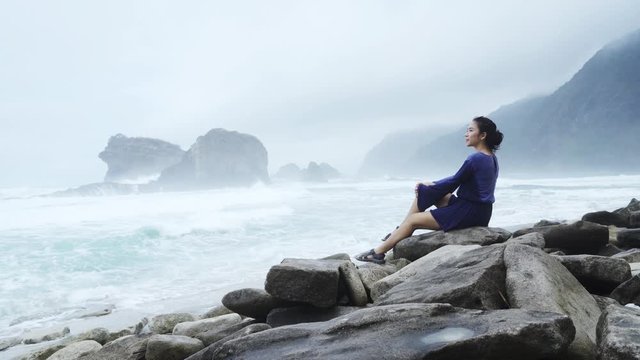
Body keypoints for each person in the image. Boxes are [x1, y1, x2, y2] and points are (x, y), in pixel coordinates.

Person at [355, 116, 503, 264]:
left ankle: (378, 253)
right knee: (426, 190)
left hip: (469, 212)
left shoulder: (475, 159)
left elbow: (454, 182)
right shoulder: (491, 157)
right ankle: (400, 229)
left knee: (413, 219)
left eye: (470, 130)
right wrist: (429, 186)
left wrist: (429, 185)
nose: (466, 134)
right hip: (480, 211)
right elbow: (455, 179)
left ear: (483, 135)